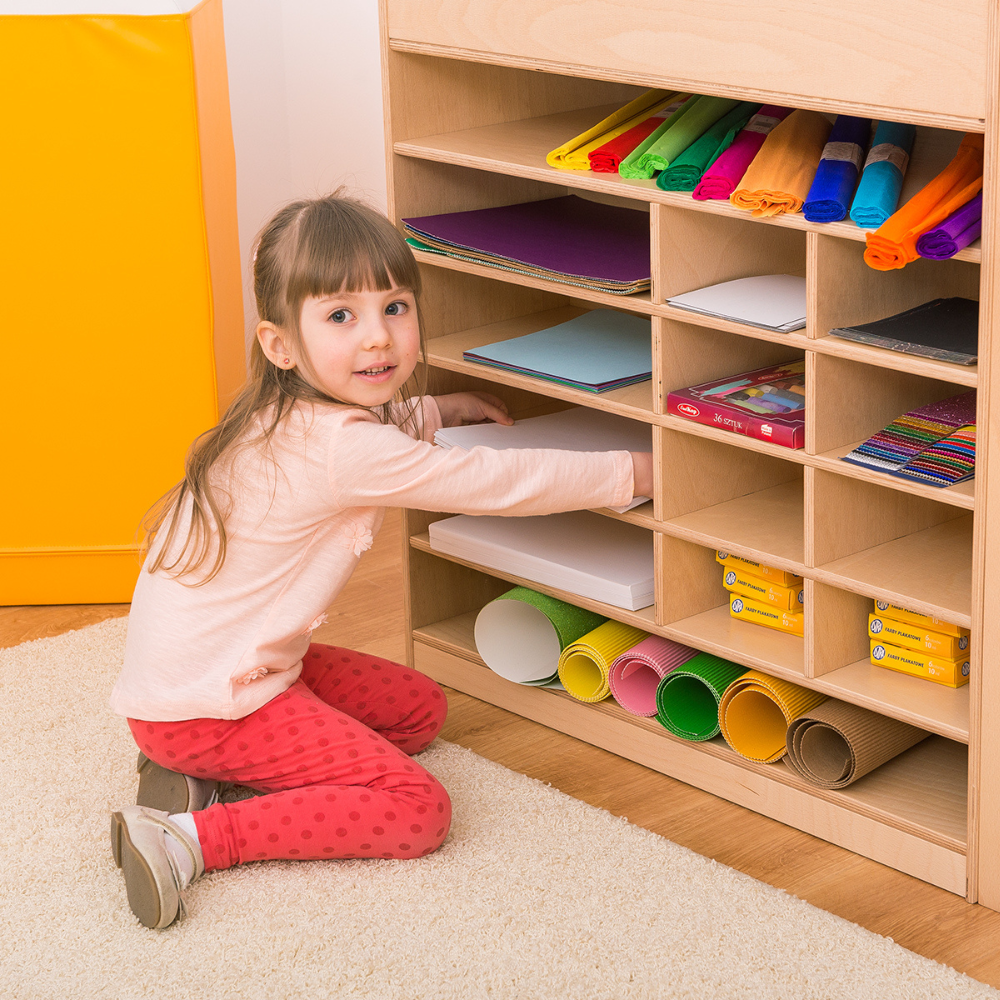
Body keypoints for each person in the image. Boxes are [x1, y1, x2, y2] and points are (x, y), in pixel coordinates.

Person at [108, 192, 653, 929]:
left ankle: (195, 775)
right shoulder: (345, 450)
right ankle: (189, 838)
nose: (378, 339)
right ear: (282, 345)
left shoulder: (280, 408)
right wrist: (630, 473)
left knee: (417, 712)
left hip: (197, 686)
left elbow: (375, 434)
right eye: (341, 316)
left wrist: (439, 409)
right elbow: (492, 482)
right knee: (414, 809)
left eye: (395, 307)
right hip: (216, 699)